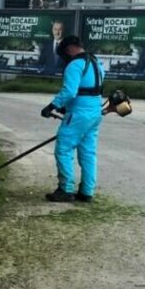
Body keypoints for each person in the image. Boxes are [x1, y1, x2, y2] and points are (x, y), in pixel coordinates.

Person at [40, 34, 105, 203]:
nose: (64, 58)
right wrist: (65, 106)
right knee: (88, 152)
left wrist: (52, 106)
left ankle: (66, 189)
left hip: (78, 114)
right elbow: (90, 89)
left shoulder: (75, 65)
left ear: (69, 50)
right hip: (95, 112)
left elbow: (70, 91)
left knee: (63, 149)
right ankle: (86, 192)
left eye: (64, 54)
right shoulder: (97, 64)